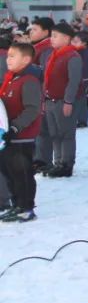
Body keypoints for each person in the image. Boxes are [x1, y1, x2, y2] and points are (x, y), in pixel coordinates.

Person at [0, 43, 44, 223]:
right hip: (8, 137)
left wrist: (15, 127)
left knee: (22, 174)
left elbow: (32, 110)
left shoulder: (29, 81)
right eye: (8, 55)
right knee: (9, 172)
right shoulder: (11, 79)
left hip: (21, 138)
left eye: (12, 56)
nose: (7, 59)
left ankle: (26, 207)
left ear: (25, 59)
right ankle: (17, 204)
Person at [41, 22, 81, 178]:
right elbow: (47, 78)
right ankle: (57, 162)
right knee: (54, 134)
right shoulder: (54, 55)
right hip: (51, 100)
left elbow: (73, 81)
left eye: (55, 36)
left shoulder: (72, 56)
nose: (52, 39)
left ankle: (66, 164)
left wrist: (68, 101)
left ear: (66, 38)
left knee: (66, 133)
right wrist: (44, 98)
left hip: (63, 101)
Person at [28, 17, 53, 173]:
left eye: (35, 29)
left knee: (43, 129)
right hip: (32, 92)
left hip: (41, 93)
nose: (31, 32)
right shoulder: (36, 48)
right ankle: (38, 158)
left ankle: (43, 160)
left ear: (46, 32)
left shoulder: (46, 49)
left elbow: (45, 73)